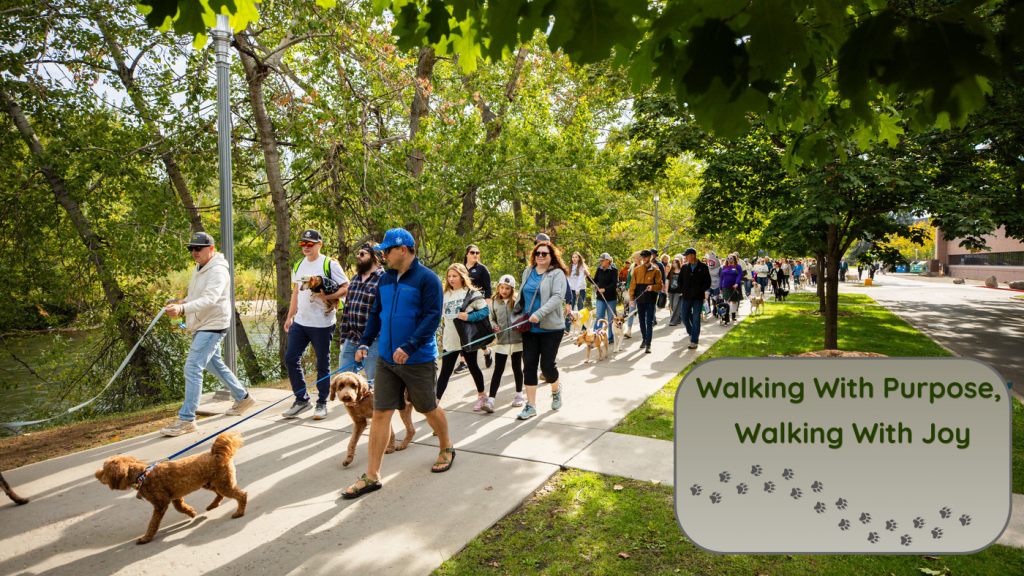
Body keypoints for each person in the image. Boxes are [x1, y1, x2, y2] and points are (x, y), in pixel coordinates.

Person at [344, 228, 453, 500]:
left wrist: (410, 345)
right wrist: (364, 342)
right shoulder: (385, 279)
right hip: (385, 359)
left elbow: (431, 318)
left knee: (428, 408)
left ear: (402, 250)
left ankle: (447, 446)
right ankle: (372, 475)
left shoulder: (427, 279)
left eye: (386, 251)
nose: (382, 256)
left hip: (417, 359)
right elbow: (376, 314)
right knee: (381, 412)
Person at [161, 232, 254, 436]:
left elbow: (211, 298)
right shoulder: (200, 267)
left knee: (193, 367)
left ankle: (187, 419)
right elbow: (197, 296)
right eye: (191, 248)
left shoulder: (218, 271)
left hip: (213, 325)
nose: (194, 252)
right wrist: (181, 303)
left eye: (198, 248)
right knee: (214, 364)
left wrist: (183, 310)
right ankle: (243, 397)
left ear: (210, 249)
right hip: (202, 324)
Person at [282, 229, 349, 421]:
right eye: (303, 244)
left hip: (322, 323)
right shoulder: (298, 265)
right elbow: (296, 293)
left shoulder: (329, 264)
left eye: (309, 244)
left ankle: (321, 403)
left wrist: (327, 296)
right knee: (290, 358)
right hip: (301, 321)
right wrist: (290, 316)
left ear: (319, 245)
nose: (305, 247)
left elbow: (346, 288)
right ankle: (302, 400)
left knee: (322, 364)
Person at [513, 240, 568, 420]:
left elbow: (558, 296)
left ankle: (555, 389)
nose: (541, 256)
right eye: (538, 253)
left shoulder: (557, 273)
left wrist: (539, 313)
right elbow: (522, 295)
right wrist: (517, 314)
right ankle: (531, 406)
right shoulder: (528, 271)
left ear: (552, 256)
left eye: (545, 253)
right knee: (528, 366)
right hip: (530, 328)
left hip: (551, 328)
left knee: (547, 366)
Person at [436, 263, 489, 409]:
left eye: (455, 276)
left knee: (473, 367)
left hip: (467, 339)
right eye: (449, 276)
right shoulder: (444, 295)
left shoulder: (471, 293)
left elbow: (485, 311)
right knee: (445, 371)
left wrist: (469, 317)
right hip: (450, 340)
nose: (451, 279)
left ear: (462, 276)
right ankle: (435, 403)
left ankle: (482, 396)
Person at [338, 243, 384, 383]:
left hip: (374, 340)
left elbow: (384, 312)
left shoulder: (384, 279)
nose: (358, 256)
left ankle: (373, 405)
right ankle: (354, 404)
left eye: (362, 254)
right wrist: (343, 337)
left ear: (375, 257)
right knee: (345, 379)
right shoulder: (355, 278)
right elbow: (347, 309)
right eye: (357, 254)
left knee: (374, 382)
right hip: (351, 338)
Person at [488, 275, 525, 409]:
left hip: (516, 340)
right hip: (502, 341)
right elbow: (491, 318)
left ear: (512, 289)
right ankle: (491, 400)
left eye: (507, 288)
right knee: (498, 370)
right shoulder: (493, 301)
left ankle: (519, 394)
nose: (504, 291)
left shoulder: (516, 301)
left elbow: (522, 316)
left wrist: (520, 324)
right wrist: (494, 327)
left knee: (517, 368)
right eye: (502, 287)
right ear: (498, 287)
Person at [458, 244, 493, 372]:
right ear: (466, 254)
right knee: (462, 331)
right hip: (463, 304)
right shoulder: (461, 269)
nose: (475, 255)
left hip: (478, 304)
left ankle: (486, 351)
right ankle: (463, 361)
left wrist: (486, 304)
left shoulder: (482, 269)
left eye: (477, 253)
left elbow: (488, 288)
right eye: (472, 252)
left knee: (477, 332)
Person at [628, 249, 663, 353]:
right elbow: (632, 285)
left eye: (645, 257)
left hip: (651, 299)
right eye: (642, 257)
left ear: (650, 257)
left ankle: (648, 343)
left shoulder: (656, 270)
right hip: (640, 299)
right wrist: (632, 299)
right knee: (641, 321)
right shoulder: (637, 270)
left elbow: (659, 285)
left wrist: (652, 287)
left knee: (649, 321)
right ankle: (644, 338)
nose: (643, 259)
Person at [678, 248, 711, 350]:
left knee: (696, 318)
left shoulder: (703, 267)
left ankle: (694, 341)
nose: (685, 257)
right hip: (686, 297)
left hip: (698, 297)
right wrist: (682, 290)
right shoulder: (685, 267)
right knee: (684, 316)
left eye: (686, 255)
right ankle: (691, 332)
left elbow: (708, 282)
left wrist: (700, 290)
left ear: (692, 256)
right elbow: (680, 280)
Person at [591, 253, 618, 348]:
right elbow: (594, 280)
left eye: (602, 260)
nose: (601, 262)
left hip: (611, 298)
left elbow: (614, 284)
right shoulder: (599, 269)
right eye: (600, 260)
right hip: (600, 298)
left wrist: (605, 289)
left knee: (611, 319)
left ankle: (610, 338)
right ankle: (595, 336)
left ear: (607, 260)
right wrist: (587, 275)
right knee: (599, 317)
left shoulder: (614, 270)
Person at [565, 252, 589, 333]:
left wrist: (578, 289)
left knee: (580, 308)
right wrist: (568, 289)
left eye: (576, 257)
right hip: (571, 289)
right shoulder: (570, 267)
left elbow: (581, 279)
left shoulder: (582, 267)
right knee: (569, 308)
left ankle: (583, 328)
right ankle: (567, 327)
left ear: (579, 258)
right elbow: (568, 278)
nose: (574, 259)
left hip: (580, 289)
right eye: (573, 257)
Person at [623, 251, 642, 338]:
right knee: (631, 311)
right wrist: (628, 289)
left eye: (635, 257)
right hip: (633, 292)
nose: (634, 259)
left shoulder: (643, 267)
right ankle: (629, 330)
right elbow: (629, 280)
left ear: (640, 258)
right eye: (633, 258)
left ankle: (644, 329)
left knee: (642, 311)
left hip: (642, 292)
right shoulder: (632, 267)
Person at [720, 254, 743, 325]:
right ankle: (727, 315)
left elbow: (740, 275)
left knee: (734, 301)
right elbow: (721, 277)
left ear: (734, 259)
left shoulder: (737, 266)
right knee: (726, 301)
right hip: (725, 286)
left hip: (734, 286)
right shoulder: (724, 267)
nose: (729, 259)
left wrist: (736, 283)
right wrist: (720, 287)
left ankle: (733, 314)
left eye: (731, 258)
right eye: (728, 258)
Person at [667, 255, 684, 326]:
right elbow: (667, 281)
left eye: (675, 263)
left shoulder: (682, 272)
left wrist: (682, 291)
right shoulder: (671, 272)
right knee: (671, 306)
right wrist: (666, 291)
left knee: (675, 305)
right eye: (673, 263)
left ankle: (673, 321)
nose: (674, 264)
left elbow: (684, 282)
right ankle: (679, 317)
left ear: (678, 263)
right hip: (671, 291)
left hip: (678, 291)